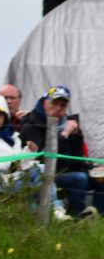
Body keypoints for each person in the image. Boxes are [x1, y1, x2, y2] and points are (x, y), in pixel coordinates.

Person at [19, 85, 104, 217]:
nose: (58, 108)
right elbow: (43, 158)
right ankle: (76, 216)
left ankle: (98, 217)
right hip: (44, 175)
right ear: (44, 102)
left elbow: (77, 159)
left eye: (63, 105)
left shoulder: (71, 126)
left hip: (69, 170)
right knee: (79, 178)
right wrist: (64, 134)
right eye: (54, 103)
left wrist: (93, 170)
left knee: (101, 177)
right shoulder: (30, 126)